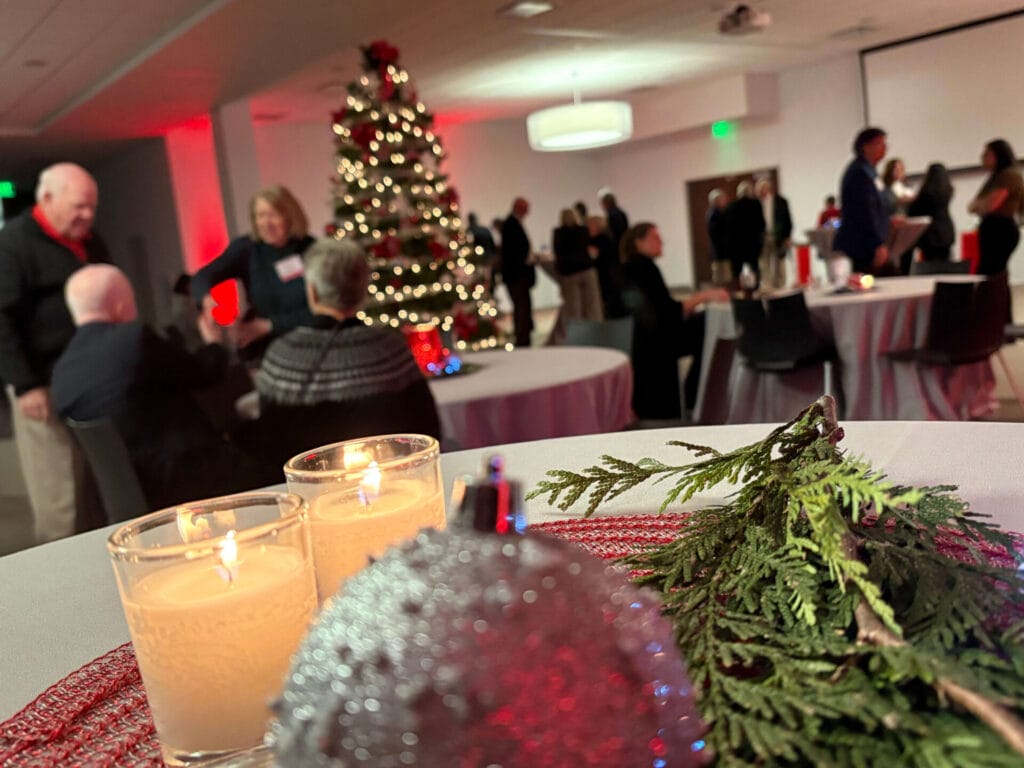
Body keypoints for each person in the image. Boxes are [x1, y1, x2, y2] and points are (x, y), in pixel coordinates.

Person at [51, 265, 277, 511]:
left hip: (130, 497)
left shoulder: (61, 372)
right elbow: (203, 374)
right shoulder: (132, 339)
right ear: (120, 304)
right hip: (190, 477)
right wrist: (213, 342)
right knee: (276, 465)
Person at [254, 239, 441, 467]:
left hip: (308, 491)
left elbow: (269, 445)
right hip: (392, 480)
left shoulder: (281, 357)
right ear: (363, 289)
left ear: (312, 291)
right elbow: (427, 433)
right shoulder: (391, 350)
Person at [0, 162, 108, 543]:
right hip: (41, 385)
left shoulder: (88, 241)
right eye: (80, 206)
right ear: (46, 199)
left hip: (87, 381)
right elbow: (2, 319)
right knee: (58, 495)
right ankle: (59, 584)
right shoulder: (13, 244)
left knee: (95, 483)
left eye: (92, 207)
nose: (88, 215)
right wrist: (25, 385)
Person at [191, 184, 315, 364]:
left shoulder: (311, 250)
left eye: (273, 215)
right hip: (264, 351)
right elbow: (203, 276)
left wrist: (269, 325)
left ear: (290, 216)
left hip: (309, 346)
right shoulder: (248, 249)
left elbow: (325, 312)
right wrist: (206, 298)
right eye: (260, 216)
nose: (266, 223)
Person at [619, 222, 728, 420]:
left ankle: (691, 392)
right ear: (639, 242)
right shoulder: (646, 269)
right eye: (655, 237)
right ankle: (694, 394)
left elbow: (661, 310)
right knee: (707, 327)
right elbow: (669, 312)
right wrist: (705, 296)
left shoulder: (630, 268)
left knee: (700, 323)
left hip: (642, 339)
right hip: (658, 341)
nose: (662, 242)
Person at [833, 127, 891, 274]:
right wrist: (877, 243)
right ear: (865, 146)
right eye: (879, 143)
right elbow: (866, 211)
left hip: (867, 243)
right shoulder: (859, 173)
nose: (885, 148)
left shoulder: (871, 171)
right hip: (862, 245)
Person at [968, 138, 1024, 276]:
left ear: (998, 155)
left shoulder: (1009, 176)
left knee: (992, 273)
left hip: (1001, 230)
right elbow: (972, 206)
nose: (982, 157)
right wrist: (980, 204)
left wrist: (980, 204)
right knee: (990, 273)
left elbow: (990, 205)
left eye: (987, 154)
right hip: (992, 228)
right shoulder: (996, 177)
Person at [553, 208, 603, 325]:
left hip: (570, 273)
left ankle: (578, 334)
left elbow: (558, 252)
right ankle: (595, 331)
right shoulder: (583, 230)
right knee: (592, 305)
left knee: (573, 308)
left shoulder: (559, 233)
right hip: (586, 269)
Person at [499, 197, 536, 347]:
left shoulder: (513, 224)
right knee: (521, 308)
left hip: (518, 275)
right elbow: (513, 252)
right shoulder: (510, 225)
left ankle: (524, 336)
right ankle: (522, 339)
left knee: (523, 307)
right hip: (516, 276)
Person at [906, 163, 955, 266]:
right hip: (946, 231)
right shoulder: (947, 191)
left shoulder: (926, 194)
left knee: (930, 265)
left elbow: (915, 211)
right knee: (946, 264)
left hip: (930, 234)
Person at [723, 180, 765, 283]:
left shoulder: (732, 206)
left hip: (736, 245)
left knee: (737, 271)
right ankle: (755, 288)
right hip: (753, 244)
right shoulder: (756, 205)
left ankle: (739, 291)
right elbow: (761, 224)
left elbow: (727, 228)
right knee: (754, 268)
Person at [756, 177, 793, 286]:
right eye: (759, 189)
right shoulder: (756, 204)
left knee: (779, 263)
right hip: (763, 237)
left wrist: (787, 236)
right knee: (764, 263)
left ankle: (780, 285)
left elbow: (787, 220)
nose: (761, 192)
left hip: (778, 236)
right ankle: (767, 285)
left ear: (769, 188)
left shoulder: (781, 202)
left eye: (763, 188)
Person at [586, 215, 624, 318]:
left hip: (604, 276)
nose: (587, 227)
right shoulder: (592, 240)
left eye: (590, 225)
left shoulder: (603, 240)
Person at [706, 188, 731, 284]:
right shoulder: (713, 214)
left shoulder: (723, 212)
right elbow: (715, 233)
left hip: (724, 251)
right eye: (722, 199)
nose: (724, 200)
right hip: (720, 251)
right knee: (721, 275)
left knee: (726, 275)